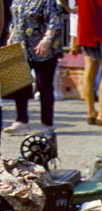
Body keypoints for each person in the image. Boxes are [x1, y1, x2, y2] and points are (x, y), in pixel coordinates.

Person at [5, 0, 64, 133]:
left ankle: (47, 123)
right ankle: (21, 120)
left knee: (44, 85)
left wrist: (47, 39)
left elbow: (54, 19)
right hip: (21, 46)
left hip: (42, 48)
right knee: (20, 84)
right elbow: (16, 19)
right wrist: (11, 37)